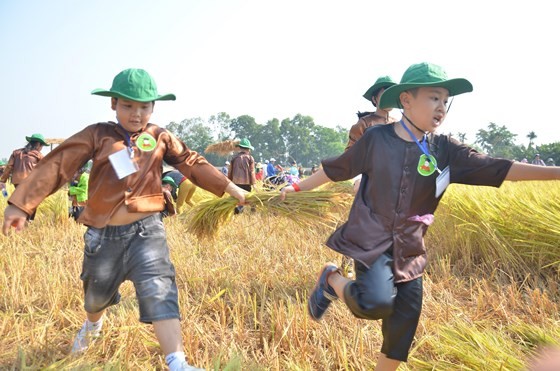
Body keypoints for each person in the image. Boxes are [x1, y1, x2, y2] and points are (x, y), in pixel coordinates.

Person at [280, 62, 560, 371]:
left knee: (403, 327)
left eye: (445, 100)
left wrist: (557, 174)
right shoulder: (376, 140)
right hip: (372, 242)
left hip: (410, 251)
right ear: (406, 101)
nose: (441, 107)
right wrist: (297, 186)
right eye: (434, 97)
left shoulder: (446, 150)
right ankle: (331, 279)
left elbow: (501, 168)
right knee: (374, 303)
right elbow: (337, 169)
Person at [2, 68, 247, 371]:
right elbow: (59, 164)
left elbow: (190, 162)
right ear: (113, 104)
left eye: (144, 106)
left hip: (148, 230)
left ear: (154, 107)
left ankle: (177, 361)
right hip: (103, 234)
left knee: (160, 286)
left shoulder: (160, 136)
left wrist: (228, 186)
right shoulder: (97, 134)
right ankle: (93, 325)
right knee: (95, 296)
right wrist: (21, 205)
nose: (136, 113)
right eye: (128, 105)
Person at [341, 75, 398, 277]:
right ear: (375, 99)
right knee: (360, 226)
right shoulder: (363, 125)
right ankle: (347, 266)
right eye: (385, 94)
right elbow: (349, 157)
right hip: (367, 184)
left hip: (392, 188)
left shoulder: (401, 125)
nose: (389, 98)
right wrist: (356, 180)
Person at [0, 133, 49, 220]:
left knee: (22, 201)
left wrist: (3, 180)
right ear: (38, 144)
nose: (41, 148)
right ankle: (28, 220)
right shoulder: (38, 155)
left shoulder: (16, 153)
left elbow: (9, 167)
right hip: (31, 182)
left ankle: (20, 219)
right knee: (32, 202)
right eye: (42, 146)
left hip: (17, 182)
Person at [228, 138, 256, 213]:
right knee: (249, 198)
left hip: (235, 183)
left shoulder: (234, 158)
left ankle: (237, 210)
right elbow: (252, 171)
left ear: (240, 148)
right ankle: (251, 211)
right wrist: (254, 184)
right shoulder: (250, 158)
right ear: (248, 149)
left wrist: (229, 182)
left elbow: (230, 171)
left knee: (235, 198)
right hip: (246, 183)